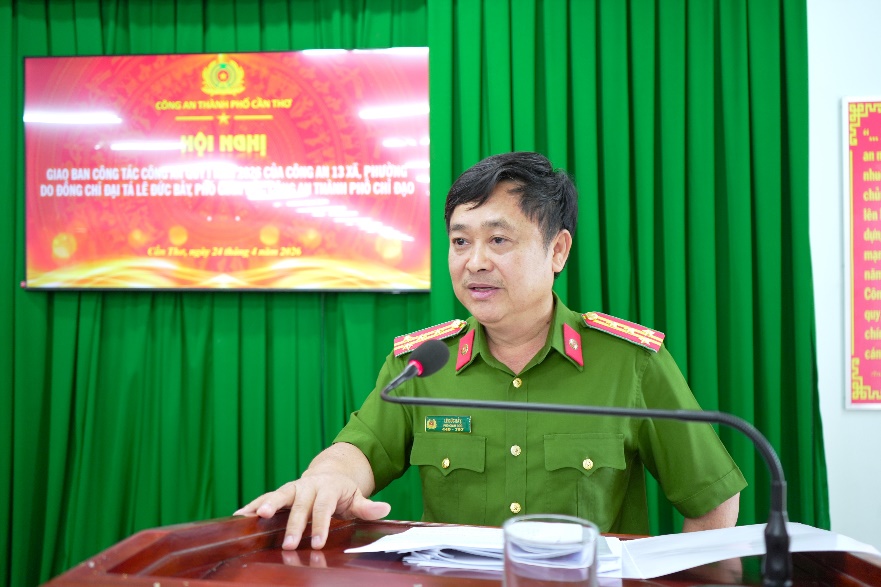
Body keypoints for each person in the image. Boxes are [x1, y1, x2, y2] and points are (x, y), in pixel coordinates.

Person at [235, 151, 746, 550]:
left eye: (499, 240)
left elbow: (712, 498)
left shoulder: (630, 363)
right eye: (461, 242)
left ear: (558, 250)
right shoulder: (421, 364)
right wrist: (326, 478)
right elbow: (360, 451)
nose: (474, 262)